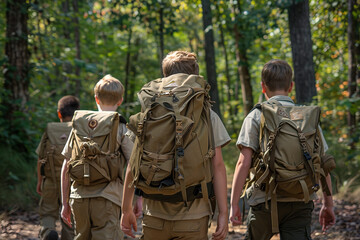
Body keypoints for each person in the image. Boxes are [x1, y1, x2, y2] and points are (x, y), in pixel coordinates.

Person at [121, 50, 231, 240]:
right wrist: (223, 213)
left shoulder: (149, 113)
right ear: (194, 77)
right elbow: (218, 166)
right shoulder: (205, 114)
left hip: (154, 213)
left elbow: (133, 163)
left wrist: (126, 209)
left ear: (165, 76)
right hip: (194, 215)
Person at [229, 59, 336, 239]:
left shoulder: (257, 115)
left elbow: (243, 162)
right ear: (291, 86)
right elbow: (322, 162)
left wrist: (234, 204)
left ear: (263, 87)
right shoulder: (306, 118)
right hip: (300, 198)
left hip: (264, 200)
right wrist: (328, 204)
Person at [60, 75, 142, 240]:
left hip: (79, 198)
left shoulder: (79, 125)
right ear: (120, 100)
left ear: (96, 98)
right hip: (108, 199)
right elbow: (134, 166)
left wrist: (65, 203)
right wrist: (136, 199)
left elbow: (66, 166)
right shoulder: (121, 127)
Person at [36, 95, 79, 240]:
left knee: (47, 213)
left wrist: (40, 180)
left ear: (59, 113)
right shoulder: (79, 129)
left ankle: (48, 232)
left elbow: (40, 158)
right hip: (72, 185)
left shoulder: (50, 129)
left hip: (51, 181)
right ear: (76, 113)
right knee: (70, 219)